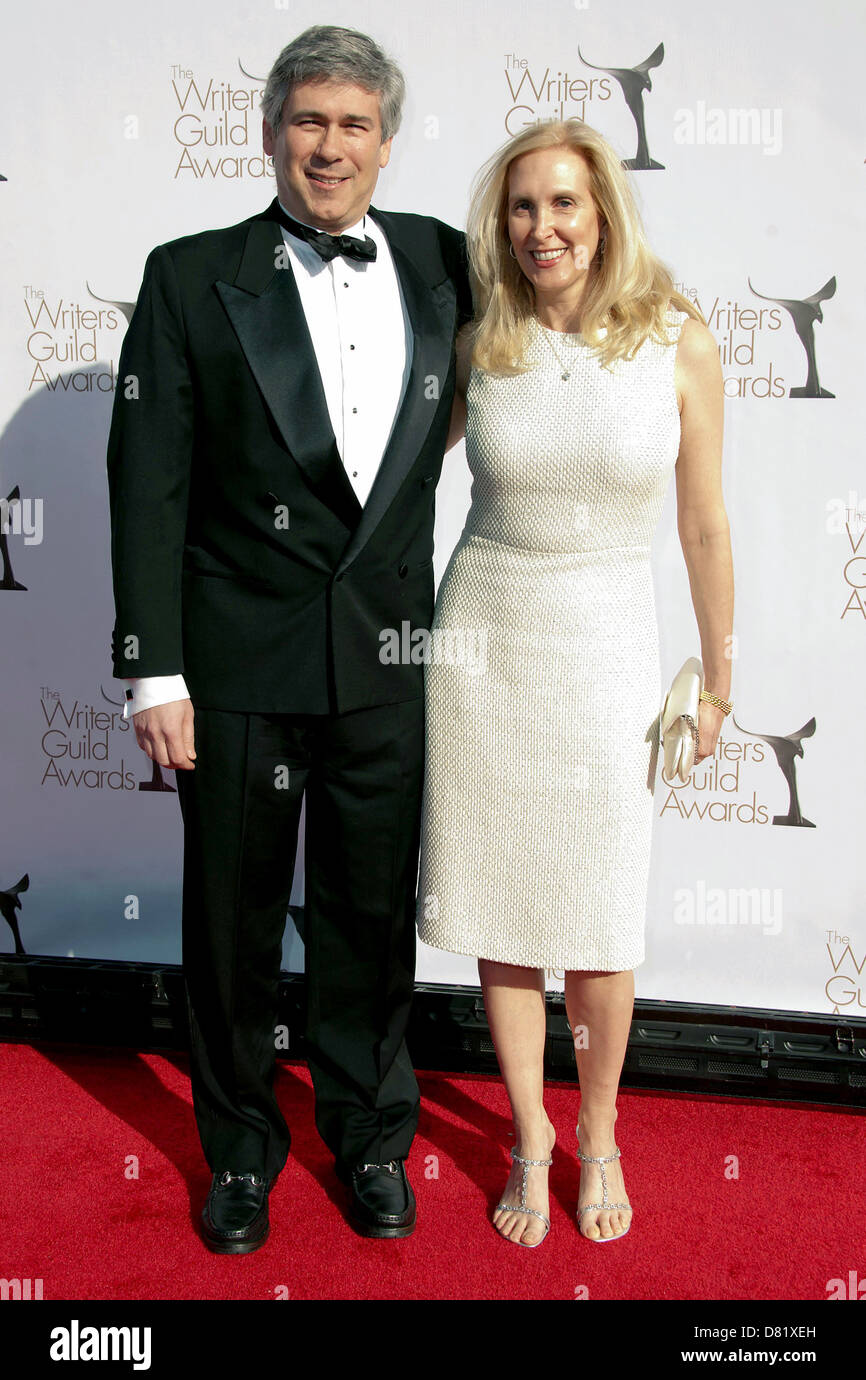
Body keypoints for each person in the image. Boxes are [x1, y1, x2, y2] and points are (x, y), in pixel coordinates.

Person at [106, 24, 471, 1253]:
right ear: (268, 132)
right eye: (307, 120)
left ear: (386, 140)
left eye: (353, 124)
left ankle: (370, 1138)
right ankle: (242, 1156)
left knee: (370, 917)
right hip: (235, 666)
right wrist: (152, 668)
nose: (329, 146)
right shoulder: (188, 273)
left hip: (385, 661)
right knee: (232, 927)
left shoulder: (442, 262)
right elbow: (147, 480)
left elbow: (564, 325)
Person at [416, 118, 733, 1247]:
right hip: (486, 637)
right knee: (502, 911)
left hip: (607, 644)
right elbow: (399, 481)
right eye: (519, 207)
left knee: (598, 920)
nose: (540, 226)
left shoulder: (674, 339)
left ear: (601, 210)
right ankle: (528, 1135)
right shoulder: (479, 340)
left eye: (560, 203)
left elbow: (700, 523)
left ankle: (595, 1130)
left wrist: (717, 678)